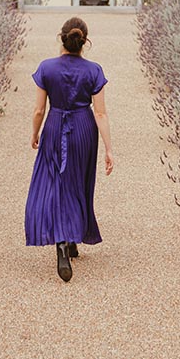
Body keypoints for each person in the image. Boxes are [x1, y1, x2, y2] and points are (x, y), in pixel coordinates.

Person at [24, 16, 114, 282]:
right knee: (78, 182)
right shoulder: (94, 70)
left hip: (54, 125)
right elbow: (100, 114)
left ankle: (62, 243)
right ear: (84, 42)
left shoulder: (46, 68)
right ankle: (72, 237)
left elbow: (39, 109)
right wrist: (109, 149)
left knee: (54, 182)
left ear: (60, 38)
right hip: (84, 128)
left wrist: (35, 133)